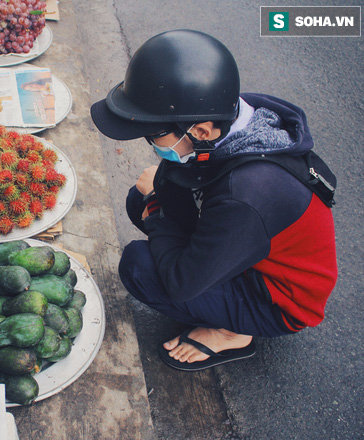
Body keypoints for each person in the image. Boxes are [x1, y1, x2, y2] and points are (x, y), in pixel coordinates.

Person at [91, 30, 337, 371]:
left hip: (277, 299)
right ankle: (202, 261)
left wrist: (156, 205)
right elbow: (174, 181)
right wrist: (153, 200)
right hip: (249, 243)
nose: (149, 141)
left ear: (202, 132)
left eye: (153, 134)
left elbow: (180, 283)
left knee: (140, 266)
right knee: (142, 200)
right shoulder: (227, 117)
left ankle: (233, 333)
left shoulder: (249, 193)